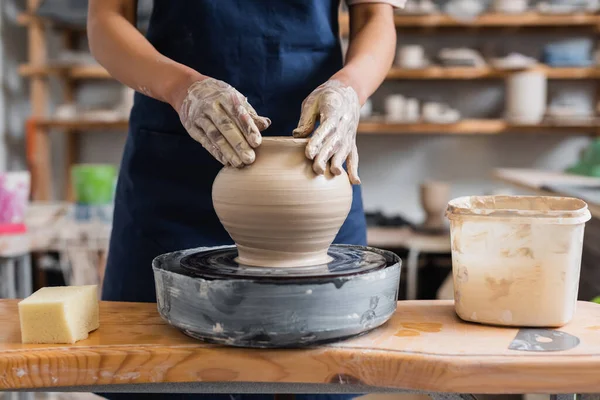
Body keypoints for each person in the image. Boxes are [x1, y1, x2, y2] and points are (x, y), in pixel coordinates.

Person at [88, 0, 404, 399]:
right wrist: (181, 88)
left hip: (312, 171)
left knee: (319, 373)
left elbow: (375, 16)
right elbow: (105, 20)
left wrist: (350, 88)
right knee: (159, 369)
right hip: (175, 165)